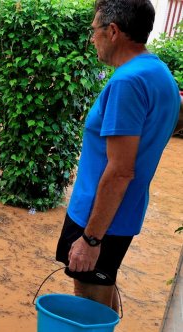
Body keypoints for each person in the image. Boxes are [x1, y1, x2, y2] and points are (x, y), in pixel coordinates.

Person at [55, 0, 181, 312]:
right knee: (100, 296)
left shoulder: (128, 81)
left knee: (88, 303)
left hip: (99, 217)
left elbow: (121, 170)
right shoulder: (159, 72)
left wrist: (91, 240)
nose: (92, 39)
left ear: (112, 31)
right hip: (120, 213)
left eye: (94, 32)